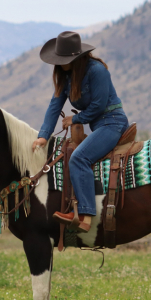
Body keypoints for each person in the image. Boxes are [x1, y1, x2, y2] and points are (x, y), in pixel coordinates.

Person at [32, 31, 129, 232]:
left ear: (75, 58)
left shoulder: (97, 71)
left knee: (79, 158)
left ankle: (84, 216)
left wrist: (75, 119)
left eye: (63, 59)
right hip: (98, 126)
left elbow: (99, 105)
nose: (59, 64)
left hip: (112, 123)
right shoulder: (66, 77)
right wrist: (43, 136)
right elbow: (54, 105)